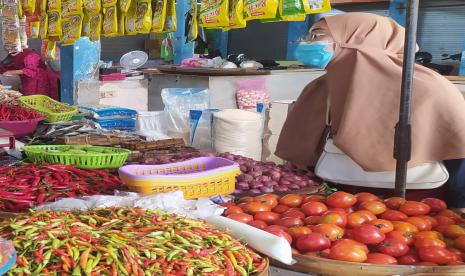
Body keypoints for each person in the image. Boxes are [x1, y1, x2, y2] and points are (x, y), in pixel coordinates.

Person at [276, 13, 465, 208]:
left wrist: (459, 208)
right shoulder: (320, 88)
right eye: (308, 37)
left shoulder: (429, 88)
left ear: (357, 41)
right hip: (340, 203)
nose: (306, 43)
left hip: (419, 206)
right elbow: (302, 156)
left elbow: (459, 152)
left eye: (316, 37)